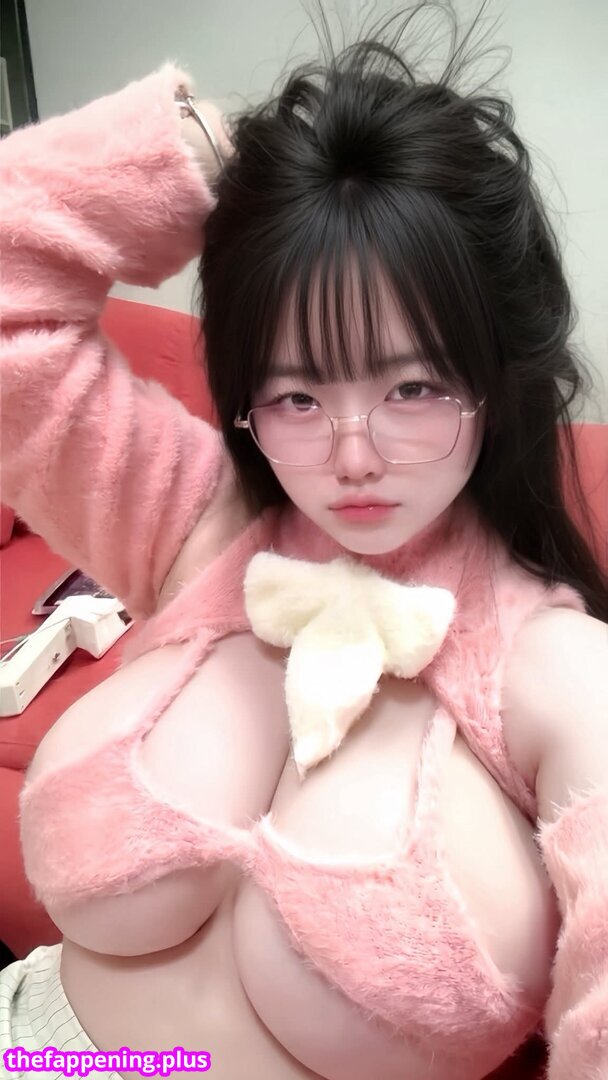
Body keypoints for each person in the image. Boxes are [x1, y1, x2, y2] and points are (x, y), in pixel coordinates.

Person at [1, 3, 607, 1079]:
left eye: (411, 388)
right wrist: (214, 158)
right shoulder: (195, 520)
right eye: (296, 396)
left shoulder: (558, 671)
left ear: (496, 379)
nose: (352, 457)